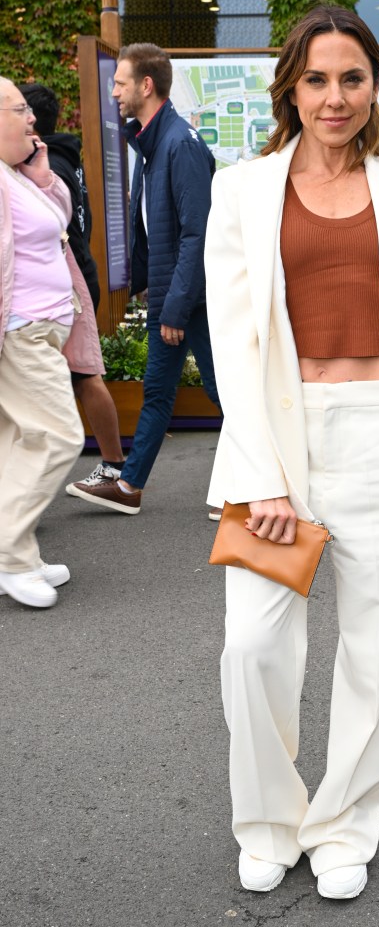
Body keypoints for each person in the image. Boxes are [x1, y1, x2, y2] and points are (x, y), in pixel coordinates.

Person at [204, 5, 379, 900]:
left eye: (352, 78)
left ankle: (345, 825)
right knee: (253, 647)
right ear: (291, 87)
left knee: (371, 650)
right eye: (317, 78)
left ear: (374, 88)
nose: (335, 97)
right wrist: (266, 473)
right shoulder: (241, 190)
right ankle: (270, 820)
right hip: (279, 437)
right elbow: (234, 342)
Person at [69, 42, 221, 514]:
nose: (114, 91)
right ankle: (130, 487)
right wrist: (144, 282)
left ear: (146, 86)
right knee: (157, 392)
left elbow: (198, 233)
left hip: (189, 299)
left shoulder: (180, 144)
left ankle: (262, 483)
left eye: (120, 82)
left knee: (225, 394)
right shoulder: (154, 144)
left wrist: (174, 306)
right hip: (171, 294)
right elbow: (154, 227)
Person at [0, 76, 85, 609]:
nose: (31, 118)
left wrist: (40, 174)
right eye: (18, 110)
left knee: (20, 442)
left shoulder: (16, 174)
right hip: (22, 332)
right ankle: (10, 556)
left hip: (45, 328)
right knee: (59, 436)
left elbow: (62, 220)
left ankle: (22, 558)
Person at [18, 82, 126, 489]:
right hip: (75, 279)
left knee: (79, 375)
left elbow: (44, 229)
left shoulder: (46, 165)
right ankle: (110, 469)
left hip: (67, 285)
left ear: (30, 121)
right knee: (76, 376)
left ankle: (112, 469)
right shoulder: (64, 157)